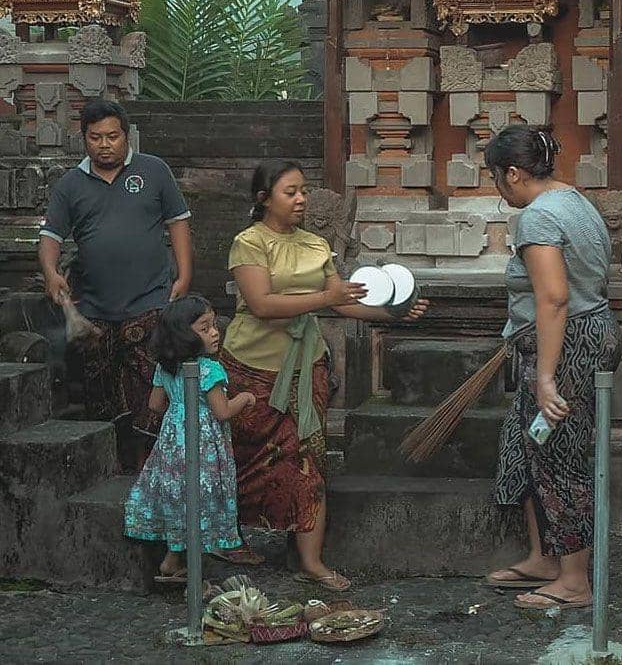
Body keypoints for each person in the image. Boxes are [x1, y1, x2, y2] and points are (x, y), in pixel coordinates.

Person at [220, 160, 428, 588]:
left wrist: (394, 313)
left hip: (305, 364)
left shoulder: (316, 244)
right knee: (242, 455)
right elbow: (262, 305)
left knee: (308, 458)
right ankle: (226, 534)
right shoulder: (249, 242)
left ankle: (311, 560)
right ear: (264, 199)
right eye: (290, 192)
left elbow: (343, 302)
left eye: (304, 190)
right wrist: (324, 298)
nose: (301, 199)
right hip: (251, 367)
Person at [483, 125, 622, 610]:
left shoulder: (538, 217)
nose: (499, 190)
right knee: (525, 445)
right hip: (584, 333)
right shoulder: (575, 201)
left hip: (567, 346)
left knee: (558, 453)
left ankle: (574, 581)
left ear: (513, 173)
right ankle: (545, 558)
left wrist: (546, 377)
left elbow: (555, 297)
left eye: (496, 178)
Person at [38, 98, 193, 450]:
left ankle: (151, 460)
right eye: (96, 138)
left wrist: (184, 276)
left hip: (150, 301)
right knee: (100, 396)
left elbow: (178, 224)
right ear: (84, 139)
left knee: (151, 389)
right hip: (93, 311)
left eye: (112, 136)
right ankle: (110, 462)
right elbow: (50, 238)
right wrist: (50, 272)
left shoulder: (154, 171)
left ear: (126, 136)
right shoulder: (70, 185)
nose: (104, 145)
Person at [123, 295, 254, 582]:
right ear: (184, 335)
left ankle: (174, 557)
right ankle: (187, 562)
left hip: (172, 444)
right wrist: (244, 398)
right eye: (205, 328)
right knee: (200, 495)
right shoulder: (209, 369)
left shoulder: (165, 367)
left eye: (213, 325)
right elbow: (222, 411)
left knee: (178, 495)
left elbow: (155, 404)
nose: (215, 332)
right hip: (202, 444)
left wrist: (178, 407)